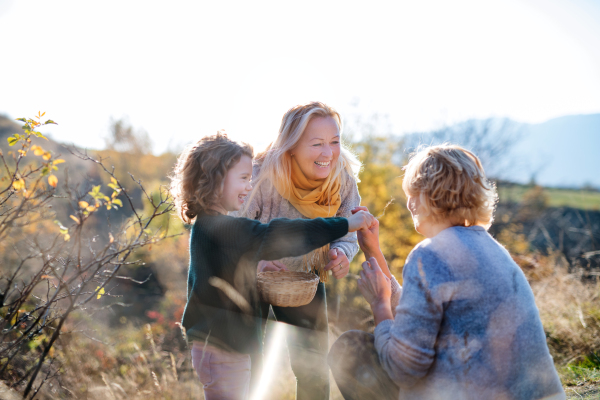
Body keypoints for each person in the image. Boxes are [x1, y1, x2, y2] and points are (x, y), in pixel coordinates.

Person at [328, 144, 565, 400]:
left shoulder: (430, 254)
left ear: (428, 196)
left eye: (413, 193)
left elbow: (401, 369)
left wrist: (379, 305)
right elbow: (416, 312)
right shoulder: (493, 250)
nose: (409, 203)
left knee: (350, 348)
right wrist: (372, 249)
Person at [169, 131, 376, 400]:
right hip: (222, 349)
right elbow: (280, 235)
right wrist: (346, 224)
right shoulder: (223, 227)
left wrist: (258, 266)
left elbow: (228, 264)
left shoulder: (213, 226)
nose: (249, 186)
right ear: (216, 181)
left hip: (223, 346)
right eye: (243, 178)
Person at [237, 101, 402, 399]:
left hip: (306, 281)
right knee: (249, 364)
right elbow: (235, 230)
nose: (328, 153)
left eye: (335, 142)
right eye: (317, 144)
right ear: (292, 146)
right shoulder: (261, 175)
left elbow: (350, 231)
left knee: (312, 367)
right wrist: (256, 262)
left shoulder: (342, 180)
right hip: (252, 278)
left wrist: (340, 252)